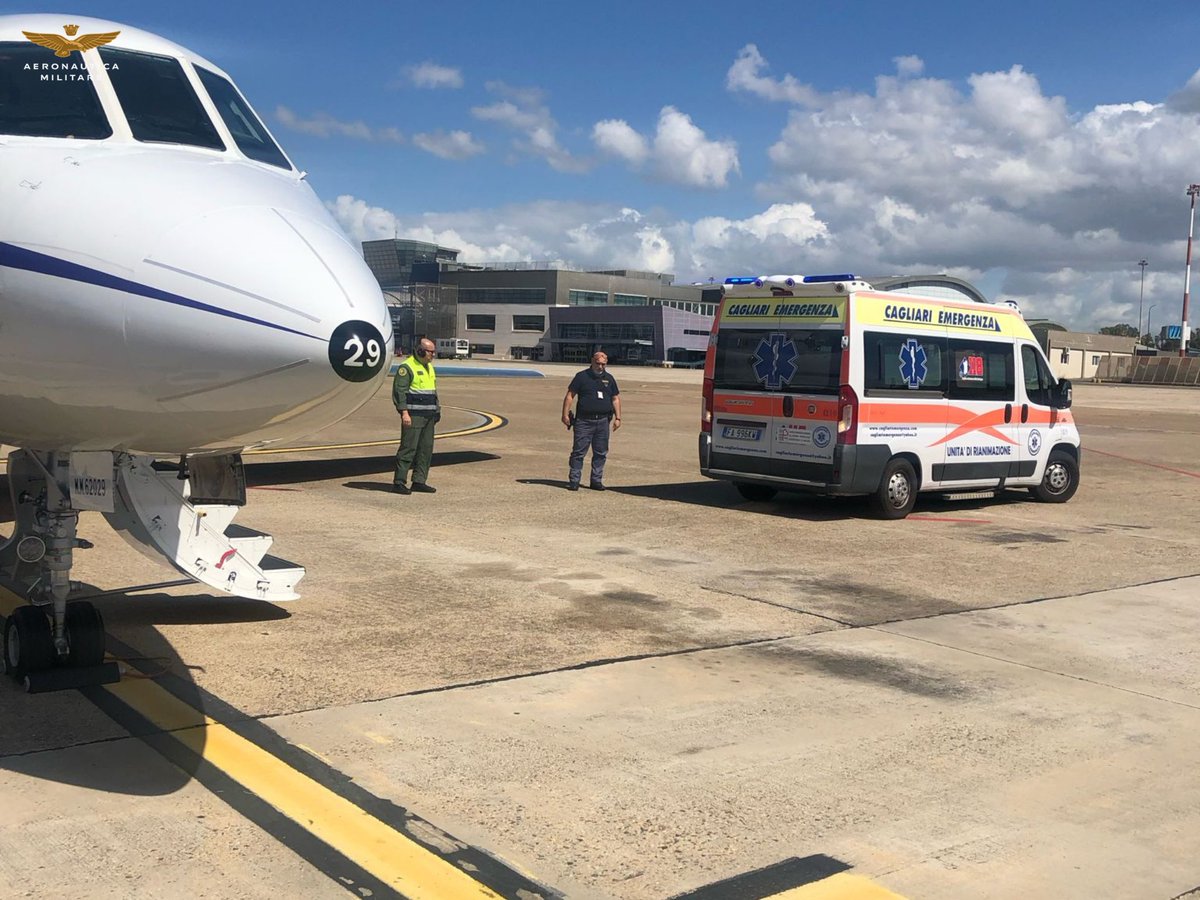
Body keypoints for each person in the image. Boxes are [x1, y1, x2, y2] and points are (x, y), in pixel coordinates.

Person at [561, 350, 621, 491]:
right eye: (598, 363)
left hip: (602, 421)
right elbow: (570, 395)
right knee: (578, 452)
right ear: (592, 361)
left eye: (603, 364)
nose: (600, 367)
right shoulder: (581, 377)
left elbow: (615, 398)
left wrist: (618, 417)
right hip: (584, 421)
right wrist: (564, 415)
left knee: (600, 452)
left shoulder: (609, 379)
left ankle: (596, 480)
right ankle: (574, 480)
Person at [392, 337, 440, 494]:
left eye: (434, 352)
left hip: (429, 415)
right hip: (414, 415)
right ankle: (399, 482)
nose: (433, 355)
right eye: (430, 352)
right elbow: (400, 392)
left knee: (425, 449)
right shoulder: (407, 367)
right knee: (408, 448)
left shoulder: (429, 368)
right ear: (420, 351)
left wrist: (437, 410)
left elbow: (433, 391)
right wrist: (404, 412)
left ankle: (419, 480)